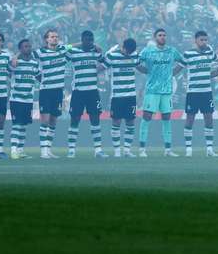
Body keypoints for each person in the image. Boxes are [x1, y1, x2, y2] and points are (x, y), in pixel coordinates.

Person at [137, 28, 183, 157]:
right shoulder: (148, 51)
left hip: (167, 90)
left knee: (167, 118)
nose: (162, 37)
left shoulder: (172, 51)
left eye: (164, 35)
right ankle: (142, 149)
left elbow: (183, 61)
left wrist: (173, 72)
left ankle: (168, 150)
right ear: (155, 37)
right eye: (160, 35)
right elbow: (136, 62)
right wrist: (146, 71)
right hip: (152, 90)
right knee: (146, 117)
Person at [66, 31, 107, 159]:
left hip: (93, 91)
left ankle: (98, 150)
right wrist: (79, 44)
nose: (89, 41)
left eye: (91, 39)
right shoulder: (73, 52)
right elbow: (63, 48)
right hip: (78, 91)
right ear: (82, 40)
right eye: (87, 39)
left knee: (95, 120)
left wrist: (98, 67)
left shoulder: (95, 52)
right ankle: (71, 150)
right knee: (74, 120)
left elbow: (106, 62)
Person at [177, 31, 217, 157]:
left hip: (207, 92)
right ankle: (188, 149)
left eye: (206, 40)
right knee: (189, 120)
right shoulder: (188, 54)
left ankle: (209, 149)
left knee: (209, 119)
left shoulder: (210, 52)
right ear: (195, 40)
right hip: (193, 93)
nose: (204, 42)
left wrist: (214, 74)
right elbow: (178, 69)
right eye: (202, 40)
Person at [103, 38, 140, 158]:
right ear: (122, 47)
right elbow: (101, 67)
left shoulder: (135, 56)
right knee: (116, 122)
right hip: (117, 96)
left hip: (131, 96)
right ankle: (117, 151)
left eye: (130, 52)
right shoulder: (113, 56)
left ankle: (127, 151)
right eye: (126, 51)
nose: (128, 54)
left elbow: (140, 68)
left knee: (130, 122)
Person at [35, 29, 68, 159]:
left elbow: (75, 45)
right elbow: (25, 55)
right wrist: (15, 57)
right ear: (46, 39)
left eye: (56, 36)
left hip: (58, 91)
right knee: (45, 121)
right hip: (46, 91)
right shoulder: (40, 52)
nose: (55, 38)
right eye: (52, 37)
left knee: (53, 121)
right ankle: (43, 151)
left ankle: (48, 149)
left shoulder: (63, 50)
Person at [8, 39, 39, 159]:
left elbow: (38, 76)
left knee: (24, 125)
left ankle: (20, 150)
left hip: (28, 99)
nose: (28, 48)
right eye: (25, 46)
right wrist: (16, 56)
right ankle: (13, 150)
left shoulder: (34, 63)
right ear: (20, 49)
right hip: (16, 99)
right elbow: (9, 68)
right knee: (17, 124)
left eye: (29, 46)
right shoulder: (16, 62)